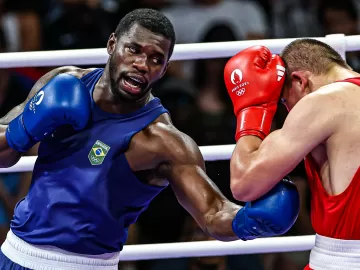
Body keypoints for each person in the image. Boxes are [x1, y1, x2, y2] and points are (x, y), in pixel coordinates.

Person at [0, 8, 299, 270]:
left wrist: (249, 221)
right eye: (133, 50)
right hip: (14, 252)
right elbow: (4, 153)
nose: (143, 64)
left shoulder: (161, 141)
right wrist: (23, 127)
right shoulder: (62, 82)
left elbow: (212, 213)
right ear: (112, 44)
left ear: (165, 69)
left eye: (156, 59)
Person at [224, 39, 360, 270]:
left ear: (300, 81)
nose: (287, 111)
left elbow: (243, 184)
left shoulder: (325, 100)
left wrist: (252, 111)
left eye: (284, 101)